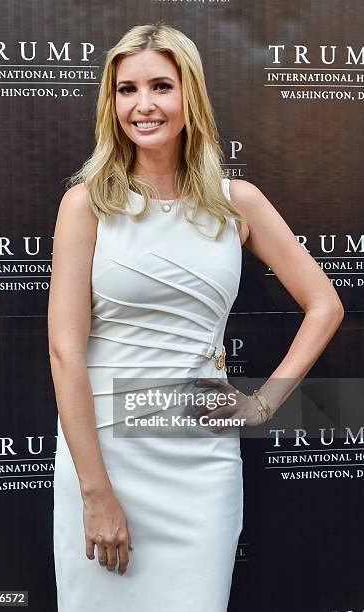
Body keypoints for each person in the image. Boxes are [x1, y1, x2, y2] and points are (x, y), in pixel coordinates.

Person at [48, 22, 344, 612]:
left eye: (161, 85)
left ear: (191, 96)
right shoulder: (87, 204)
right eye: (127, 90)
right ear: (112, 104)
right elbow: (64, 352)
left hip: (200, 458)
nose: (144, 105)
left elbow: (325, 304)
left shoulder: (239, 202)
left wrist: (263, 403)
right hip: (106, 452)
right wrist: (95, 492)